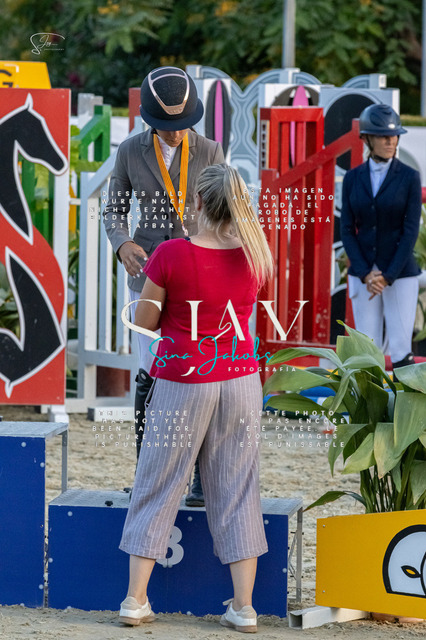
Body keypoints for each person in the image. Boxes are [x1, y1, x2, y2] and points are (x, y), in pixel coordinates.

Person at [118, 163, 274, 633]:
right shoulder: (256, 253)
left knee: (158, 481)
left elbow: (144, 322)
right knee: (238, 488)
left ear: (199, 202)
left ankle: (135, 600)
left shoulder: (171, 253)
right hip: (241, 378)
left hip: (185, 378)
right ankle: (243, 607)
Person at [103, 66, 224, 503]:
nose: (176, 133)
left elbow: (223, 210)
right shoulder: (129, 151)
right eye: (167, 126)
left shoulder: (210, 150)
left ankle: (200, 479)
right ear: (150, 119)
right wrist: (122, 244)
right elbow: (114, 209)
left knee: (200, 373)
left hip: (197, 275)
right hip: (148, 272)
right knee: (151, 372)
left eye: (182, 124)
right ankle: (147, 475)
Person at [340, 103, 422, 372]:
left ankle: (403, 398)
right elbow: (346, 229)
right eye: (383, 136)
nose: (390, 141)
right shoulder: (352, 178)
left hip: (399, 271)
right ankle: (368, 397)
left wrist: (387, 276)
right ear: (367, 138)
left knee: (400, 346)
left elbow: (410, 231)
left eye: (394, 135)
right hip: (363, 272)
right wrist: (365, 273)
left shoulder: (410, 177)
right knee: (367, 346)